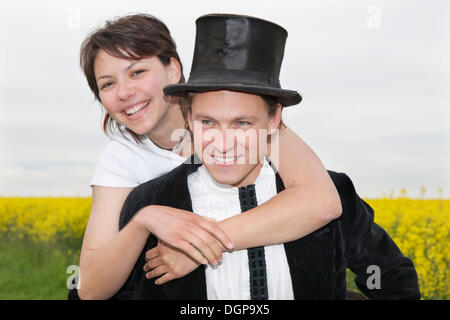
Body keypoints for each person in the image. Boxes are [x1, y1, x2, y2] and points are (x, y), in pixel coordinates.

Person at [118, 13, 420, 300]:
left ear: (274, 119)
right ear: (187, 116)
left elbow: (395, 283)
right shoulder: (151, 202)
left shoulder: (335, 192)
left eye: (242, 123)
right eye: (207, 122)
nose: (223, 145)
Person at [72, 13, 342, 300]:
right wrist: (144, 220)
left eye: (137, 72)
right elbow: (89, 288)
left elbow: (321, 202)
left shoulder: (251, 124)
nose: (125, 92)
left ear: (173, 70)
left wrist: (198, 246)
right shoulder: (120, 157)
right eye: (107, 84)